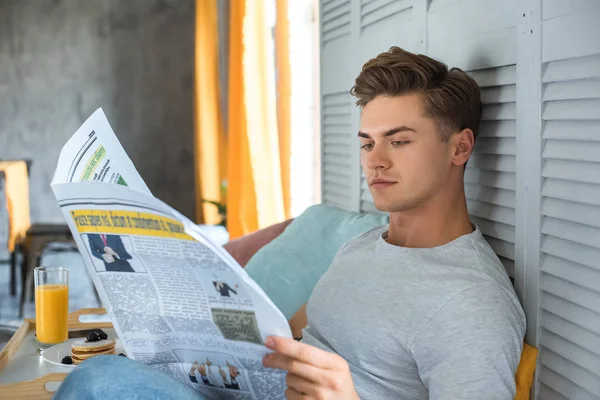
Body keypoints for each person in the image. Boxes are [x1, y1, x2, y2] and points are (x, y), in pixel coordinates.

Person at [54, 47, 525, 400]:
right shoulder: (364, 245)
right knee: (104, 368)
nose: (375, 162)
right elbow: (291, 332)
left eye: (399, 142)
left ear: (459, 148)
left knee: (100, 384)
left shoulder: (471, 300)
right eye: (367, 144)